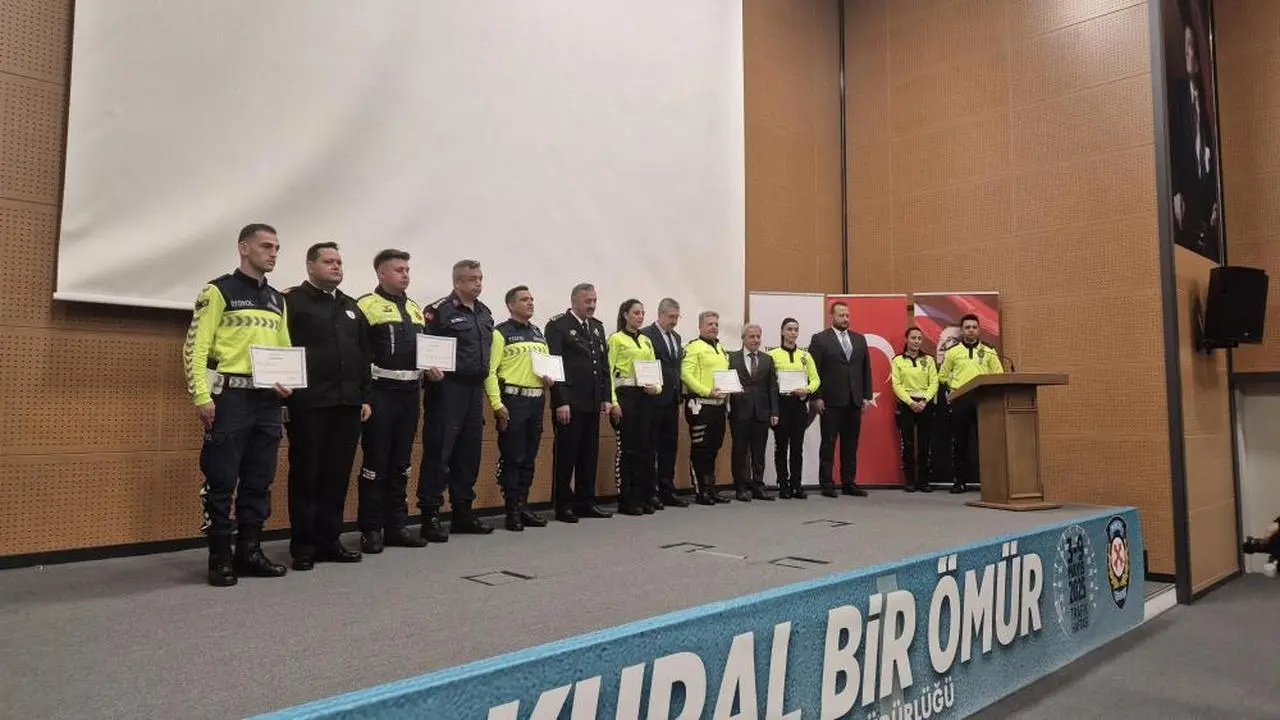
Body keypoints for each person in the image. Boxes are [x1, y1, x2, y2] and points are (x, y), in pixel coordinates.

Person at [183, 223, 293, 587]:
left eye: (277, 248)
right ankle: (220, 557)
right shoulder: (218, 290)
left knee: (259, 480)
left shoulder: (277, 299)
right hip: (229, 397)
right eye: (266, 246)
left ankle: (250, 552)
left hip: (267, 401)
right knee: (221, 479)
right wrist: (201, 396)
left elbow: (284, 349)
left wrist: (287, 381)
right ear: (244, 248)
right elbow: (196, 346)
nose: (273, 253)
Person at [281, 242, 370, 570]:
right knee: (307, 475)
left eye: (339, 262)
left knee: (337, 475)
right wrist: (285, 398)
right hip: (309, 404)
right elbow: (280, 347)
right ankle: (304, 546)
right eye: (329, 261)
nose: (336, 267)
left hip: (346, 404)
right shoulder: (292, 301)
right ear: (310, 266)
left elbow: (363, 354)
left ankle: (330, 540)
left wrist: (364, 396)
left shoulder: (351, 306)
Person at [355, 249, 433, 553]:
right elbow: (358, 353)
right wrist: (364, 397)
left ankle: (396, 526)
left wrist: (433, 368)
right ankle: (371, 528)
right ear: (381, 273)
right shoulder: (366, 305)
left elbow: (425, 351)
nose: (405, 275)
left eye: (407, 270)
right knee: (376, 462)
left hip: (410, 393)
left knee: (402, 463)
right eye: (399, 270)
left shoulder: (415, 309)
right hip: (380, 393)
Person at [419, 259, 496, 540]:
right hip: (447, 389)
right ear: (458, 282)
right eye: (472, 279)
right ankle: (430, 515)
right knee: (439, 453)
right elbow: (425, 348)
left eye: (480, 278)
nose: (478, 283)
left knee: (468, 454)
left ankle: (463, 512)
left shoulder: (485, 313)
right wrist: (429, 368)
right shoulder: (439, 311)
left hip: (474, 390)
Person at [485, 285, 555, 531]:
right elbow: (490, 371)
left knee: (529, 457)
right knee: (513, 457)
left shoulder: (537, 333)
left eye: (532, 299)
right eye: (524, 299)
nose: (530, 303)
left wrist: (549, 378)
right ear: (511, 305)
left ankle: (523, 505)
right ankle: (512, 510)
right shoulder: (500, 333)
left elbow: (545, 367)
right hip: (513, 400)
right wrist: (497, 404)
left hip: (537, 401)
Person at [545, 283, 614, 523]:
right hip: (570, 403)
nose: (592, 305)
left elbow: (603, 366)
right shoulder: (558, 326)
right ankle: (563, 504)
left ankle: (586, 501)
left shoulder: (596, 327)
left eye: (594, 301)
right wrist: (561, 401)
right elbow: (554, 366)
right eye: (587, 301)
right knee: (567, 456)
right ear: (574, 302)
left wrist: (606, 397)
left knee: (588, 454)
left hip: (592, 402)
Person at [808, 301, 871, 498]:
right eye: (841, 315)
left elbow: (865, 369)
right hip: (830, 401)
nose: (845, 319)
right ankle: (826, 483)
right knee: (828, 444)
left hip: (854, 400)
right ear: (832, 317)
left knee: (850, 445)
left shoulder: (859, 339)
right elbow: (813, 370)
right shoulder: (820, 339)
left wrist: (866, 396)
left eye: (847, 315)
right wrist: (816, 397)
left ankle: (849, 482)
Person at [608, 299, 662, 515]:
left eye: (642, 313)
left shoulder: (646, 341)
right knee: (628, 450)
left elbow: (654, 371)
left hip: (645, 397)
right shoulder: (616, 339)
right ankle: (626, 498)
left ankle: (642, 496)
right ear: (625, 315)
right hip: (626, 396)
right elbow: (608, 372)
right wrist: (613, 402)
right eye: (636, 313)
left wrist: (656, 388)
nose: (640, 317)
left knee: (645, 449)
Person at [938, 313, 1003, 493]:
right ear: (962, 330)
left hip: (983, 401)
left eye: (974, 327)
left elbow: (998, 374)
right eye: (967, 327)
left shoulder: (989, 351)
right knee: (960, 443)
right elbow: (942, 376)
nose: (971, 330)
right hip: (961, 400)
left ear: (979, 330)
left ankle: (990, 482)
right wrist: (953, 387)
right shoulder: (953, 352)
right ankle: (959, 481)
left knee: (986, 442)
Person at [640, 298, 689, 508]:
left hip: (672, 400)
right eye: (671, 317)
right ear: (660, 315)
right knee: (651, 447)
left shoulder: (676, 337)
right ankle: (650, 492)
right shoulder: (646, 335)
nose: (674, 321)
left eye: (677, 317)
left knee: (669, 446)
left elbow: (675, 368)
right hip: (653, 399)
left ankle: (667, 490)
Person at [680, 310, 732, 505]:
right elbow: (685, 374)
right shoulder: (693, 347)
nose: (714, 327)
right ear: (700, 326)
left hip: (719, 407)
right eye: (710, 324)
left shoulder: (722, 350)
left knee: (714, 448)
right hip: (700, 406)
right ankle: (701, 490)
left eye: (716, 324)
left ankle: (711, 489)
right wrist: (706, 391)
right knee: (701, 449)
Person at [768, 317, 819, 499]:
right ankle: (783, 484)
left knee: (797, 448)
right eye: (789, 329)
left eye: (796, 329)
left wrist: (808, 390)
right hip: (781, 405)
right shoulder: (772, 355)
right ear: (782, 332)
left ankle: (797, 485)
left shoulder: (805, 356)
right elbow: (769, 382)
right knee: (781, 447)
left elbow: (815, 379)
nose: (793, 333)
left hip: (798, 406)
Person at [727, 323, 778, 501]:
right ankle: (740, 487)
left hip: (762, 413)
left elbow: (772, 387)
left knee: (759, 453)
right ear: (743, 338)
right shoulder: (731, 358)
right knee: (740, 452)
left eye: (758, 336)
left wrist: (775, 412)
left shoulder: (767, 359)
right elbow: (725, 381)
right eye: (751, 336)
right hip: (739, 412)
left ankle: (758, 486)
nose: (756, 340)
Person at [890, 326, 938, 494]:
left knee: (924, 445)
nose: (916, 341)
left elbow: (934, 382)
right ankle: (909, 481)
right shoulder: (898, 360)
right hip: (906, 405)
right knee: (908, 445)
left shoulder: (929, 360)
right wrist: (910, 402)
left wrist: (924, 400)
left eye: (919, 338)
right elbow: (896, 384)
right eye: (913, 338)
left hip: (925, 404)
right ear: (907, 339)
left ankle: (924, 481)